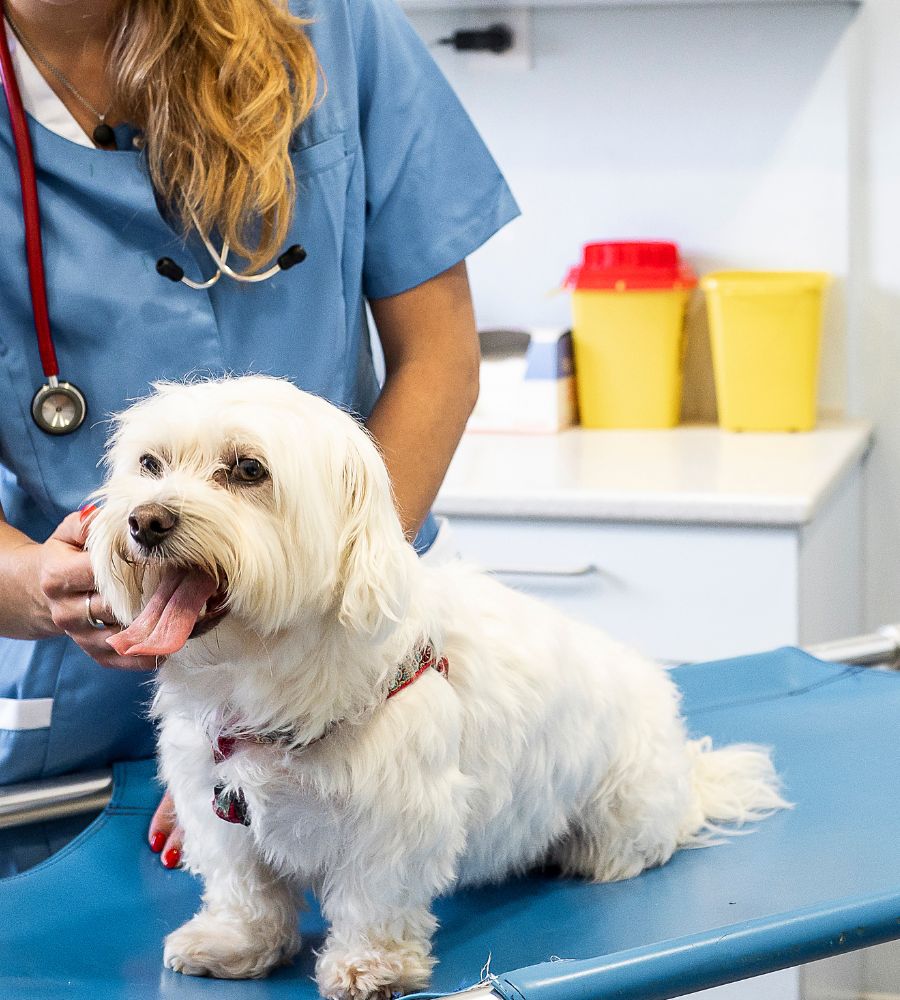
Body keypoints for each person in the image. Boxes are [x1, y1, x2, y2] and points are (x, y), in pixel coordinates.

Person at [0, 0, 518, 873]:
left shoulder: (329, 24)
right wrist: (32, 582)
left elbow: (439, 354)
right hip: (90, 707)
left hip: (357, 684)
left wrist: (311, 679)